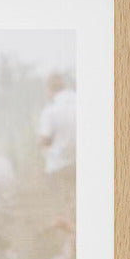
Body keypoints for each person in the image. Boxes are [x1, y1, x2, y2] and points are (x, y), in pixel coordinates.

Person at [38, 73, 76, 209]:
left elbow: (44, 140)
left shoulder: (50, 110)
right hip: (80, 162)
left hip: (59, 166)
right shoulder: (80, 100)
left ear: (49, 90)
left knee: (59, 208)